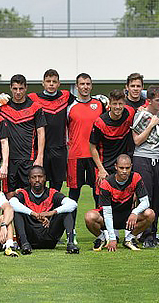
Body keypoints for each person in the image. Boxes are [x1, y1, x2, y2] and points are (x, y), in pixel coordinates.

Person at [131, 85, 159, 248]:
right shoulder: (141, 115)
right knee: (145, 198)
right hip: (143, 158)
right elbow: (136, 141)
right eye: (158, 100)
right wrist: (151, 125)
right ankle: (141, 233)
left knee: (157, 198)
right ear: (149, 100)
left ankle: (152, 235)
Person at [84, 155, 155, 252]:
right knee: (89, 217)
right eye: (121, 168)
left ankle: (129, 239)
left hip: (127, 216)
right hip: (109, 216)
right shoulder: (106, 183)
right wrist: (112, 238)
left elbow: (145, 201)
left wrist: (135, 212)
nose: (124, 171)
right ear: (116, 167)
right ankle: (102, 238)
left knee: (150, 214)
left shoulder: (136, 177)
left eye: (127, 168)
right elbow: (107, 213)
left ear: (131, 166)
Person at [9, 166, 79, 254]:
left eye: (40, 176)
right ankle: (24, 244)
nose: (37, 180)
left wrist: (51, 213)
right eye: (33, 177)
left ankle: (71, 243)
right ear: (29, 180)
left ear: (45, 178)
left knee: (67, 211)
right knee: (17, 212)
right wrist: (34, 214)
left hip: (49, 236)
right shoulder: (24, 193)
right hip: (30, 238)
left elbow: (73, 204)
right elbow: (11, 203)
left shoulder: (52, 193)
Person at [0, 74, 46, 194]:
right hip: (9, 160)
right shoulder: (2, 106)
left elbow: (41, 133)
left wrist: (40, 157)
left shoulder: (35, 107)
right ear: (10, 88)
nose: (18, 92)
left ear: (26, 88)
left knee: (29, 194)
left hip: (28, 159)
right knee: (9, 194)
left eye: (21, 88)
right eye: (15, 89)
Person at [28, 69, 76, 190]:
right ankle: (40, 207)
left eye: (54, 81)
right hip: (39, 149)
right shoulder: (33, 98)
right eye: (48, 81)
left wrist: (100, 101)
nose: (51, 84)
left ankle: (54, 207)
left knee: (57, 184)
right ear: (43, 83)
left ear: (58, 83)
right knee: (39, 183)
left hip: (59, 148)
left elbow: (82, 101)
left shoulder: (66, 96)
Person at [67, 73, 105, 206]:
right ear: (77, 86)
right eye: (82, 84)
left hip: (94, 156)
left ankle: (101, 227)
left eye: (88, 84)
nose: (85, 87)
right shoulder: (69, 106)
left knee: (98, 193)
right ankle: (71, 227)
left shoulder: (100, 104)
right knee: (73, 196)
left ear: (91, 86)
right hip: (76, 155)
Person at [90, 89, 136, 180]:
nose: (118, 107)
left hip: (123, 167)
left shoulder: (130, 113)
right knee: (101, 194)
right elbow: (92, 147)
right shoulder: (100, 123)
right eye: (114, 104)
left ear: (124, 104)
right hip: (105, 166)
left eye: (120, 104)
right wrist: (101, 169)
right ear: (109, 104)